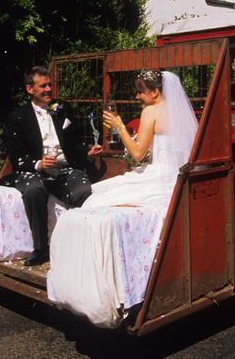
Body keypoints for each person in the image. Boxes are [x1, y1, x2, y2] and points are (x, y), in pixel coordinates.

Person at [46, 70, 198, 327]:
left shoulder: (151, 112)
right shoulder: (181, 112)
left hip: (157, 174)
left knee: (97, 195)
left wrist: (119, 127)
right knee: (109, 191)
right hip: (175, 176)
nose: (138, 96)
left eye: (140, 91)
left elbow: (138, 154)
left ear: (155, 92)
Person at [5, 66, 103, 266]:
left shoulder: (62, 108)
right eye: (43, 86)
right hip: (34, 171)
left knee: (85, 191)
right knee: (33, 191)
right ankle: (41, 249)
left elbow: (74, 141)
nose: (49, 89)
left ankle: (82, 246)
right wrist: (38, 163)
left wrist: (88, 152)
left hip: (65, 169)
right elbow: (16, 156)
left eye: (50, 85)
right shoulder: (18, 117)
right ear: (30, 89)